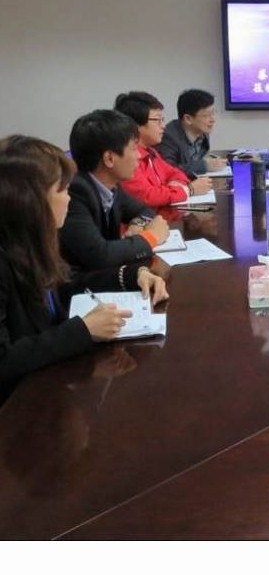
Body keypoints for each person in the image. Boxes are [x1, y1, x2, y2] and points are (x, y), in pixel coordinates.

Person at [0, 145, 168, 406]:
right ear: (30, 201)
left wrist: (131, 275)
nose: (69, 199)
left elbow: (64, 287)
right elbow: (4, 360)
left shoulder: (32, 242)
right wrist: (83, 330)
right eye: (63, 190)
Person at [59, 109, 170, 271]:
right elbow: (100, 255)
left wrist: (137, 224)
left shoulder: (111, 185)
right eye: (134, 148)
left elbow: (144, 211)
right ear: (109, 158)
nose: (139, 156)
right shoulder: (75, 193)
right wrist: (150, 237)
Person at [114, 91, 214, 208]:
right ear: (136, 125)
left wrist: (171, 189)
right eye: (158, 120)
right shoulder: (126, 158)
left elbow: (177, 174)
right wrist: (189, 190)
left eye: (163, 120)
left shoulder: (151, 151)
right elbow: (148, 196)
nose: (163, 126)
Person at [156, 88, 225, 178]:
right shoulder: (168, 137)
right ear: (188, 119)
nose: (213, 120)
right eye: (207, 115)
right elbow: (167, 170)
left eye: (213, 113)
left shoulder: (202, 131)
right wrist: (204, 165)